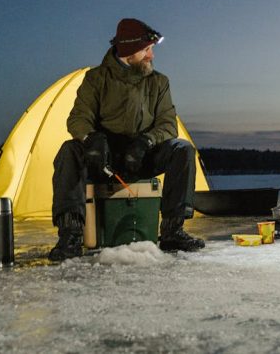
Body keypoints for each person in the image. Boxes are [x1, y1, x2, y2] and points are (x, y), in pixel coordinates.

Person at [48, 18, 204, 260]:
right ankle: (70, 236)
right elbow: (78, 118)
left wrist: (146, 142)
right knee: (69, 151)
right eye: (146, 50)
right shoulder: (96, 79)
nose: (151, 56)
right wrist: (91, 139)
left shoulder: (159, 82)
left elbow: (167, 124)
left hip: (141, 155)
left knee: (182, 150)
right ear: (129, 51)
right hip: (105, 159)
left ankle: (173, 231)